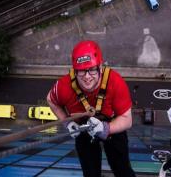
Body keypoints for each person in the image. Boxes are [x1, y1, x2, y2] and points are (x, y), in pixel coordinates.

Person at [47, 40, 136, 177]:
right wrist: (68, 122)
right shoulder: (64, 86)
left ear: (100, 67)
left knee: (122, 170)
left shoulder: (115, 82)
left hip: (112, 125)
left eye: (92, 69)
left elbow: (127, 119)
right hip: (83, 127)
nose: (87, 77)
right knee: (90, 173)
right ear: (75, 71)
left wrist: (106, 129)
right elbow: (51, 100)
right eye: (81, 71)